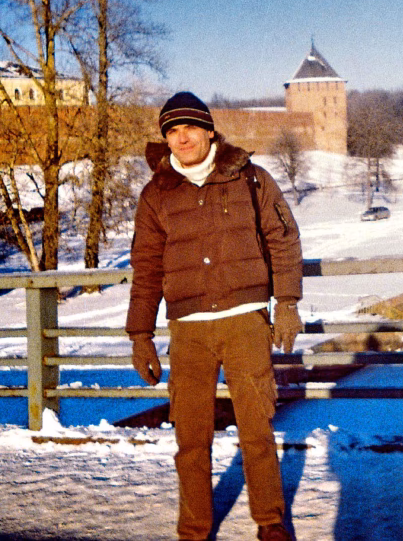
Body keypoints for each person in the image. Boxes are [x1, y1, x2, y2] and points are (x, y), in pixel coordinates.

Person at [125, 92, 303, 541]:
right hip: (188, 332)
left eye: (189, 128)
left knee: (257, 431)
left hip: (245, 322)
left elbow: (283, 239)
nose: (181, 138)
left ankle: (270, 522)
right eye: (172, 131)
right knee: (190, 440)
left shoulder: (251, 179)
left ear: (208, 130)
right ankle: (194, 529)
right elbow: (146, 267)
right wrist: (140, 335)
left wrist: (287, 304)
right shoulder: (155, 195)